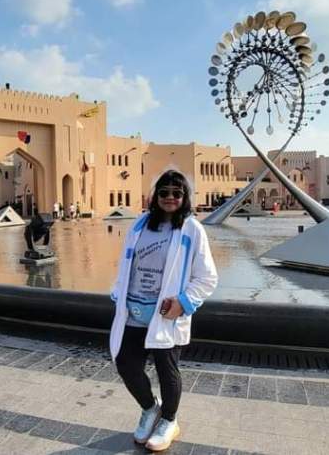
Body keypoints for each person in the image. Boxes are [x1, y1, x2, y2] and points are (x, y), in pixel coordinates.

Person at [109, 170, 218, 452]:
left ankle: (169, 420)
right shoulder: (139, 225)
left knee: (166, 370)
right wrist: (118, 293)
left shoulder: (192, 229)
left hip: (166, 315)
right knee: (126, 364)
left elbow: (207, 277)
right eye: (164, 192)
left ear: (185, 197)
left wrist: (183, 302)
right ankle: (150, 408)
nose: (170, 198)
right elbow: (126, 264)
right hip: (134, 311)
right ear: (155, 195)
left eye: (176, 193)